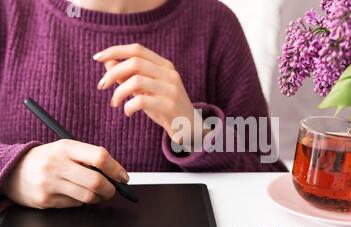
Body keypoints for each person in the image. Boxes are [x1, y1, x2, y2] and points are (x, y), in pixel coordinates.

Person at [0, 0, 286, 210]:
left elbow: (270, 179)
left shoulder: (215, 24)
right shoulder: (9, 13)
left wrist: (195, 131)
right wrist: (11, 171)